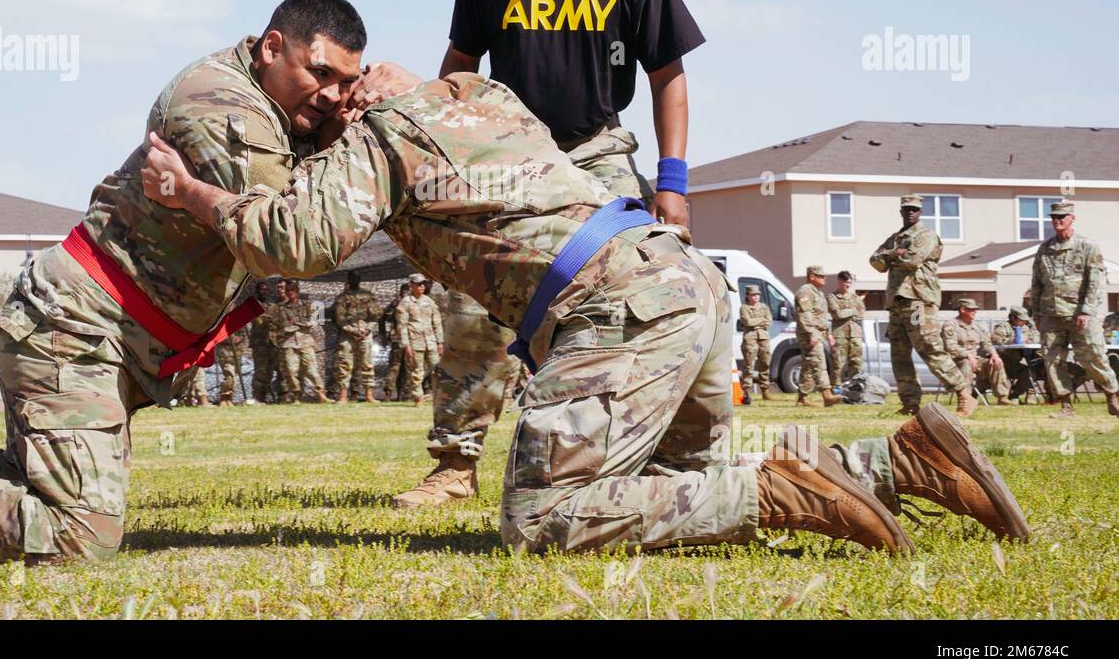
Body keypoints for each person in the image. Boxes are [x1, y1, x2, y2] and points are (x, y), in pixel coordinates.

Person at [135, 72, 1030, 555]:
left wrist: (190, 193)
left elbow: (296, 238)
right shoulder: (480, 97)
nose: (314, 117)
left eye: (326, 97)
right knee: (685, 471)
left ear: (359, 87)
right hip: (680, 282)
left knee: (544, 519)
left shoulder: (380, 134)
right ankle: (896, 461)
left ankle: (784, 492)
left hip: (616, 310)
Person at [0, 0, 417, 564]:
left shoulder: (281, 118)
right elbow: (290, 238)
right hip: (77, 328)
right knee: (79, 532)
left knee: (40, 484)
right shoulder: (219, 103)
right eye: (320, 73)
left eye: (347, 82)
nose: (333, 95)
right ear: (271, 47)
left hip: (112, 337)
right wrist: (364, 135)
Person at [397, 0, 708, 508]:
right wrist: (442, 147)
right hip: (511, 156)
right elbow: (458, 67)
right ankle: (454, 463)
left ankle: (649, 456)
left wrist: (673, 183)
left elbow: (669, 79)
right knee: (472, 300)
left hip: (599, 152)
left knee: (643, 293)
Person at [869, 195, 968, 416]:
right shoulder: (896, 239)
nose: (910, 213)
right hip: (897, 302)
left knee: (928, 346)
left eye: (914, 209)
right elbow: (875, 262)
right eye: (906, 209)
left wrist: (891, 258)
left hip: (918, 301)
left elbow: (912, 261)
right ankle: (910, 403)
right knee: (899, 354)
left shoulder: (926, 235)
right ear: (901, 212)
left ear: (920, 212)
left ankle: (963, 392)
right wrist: (894, 253)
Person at [1028, 200, 1119, 418]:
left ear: (1072, 219)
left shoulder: (1087, 246)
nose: (1057, 221)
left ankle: (1112, 395)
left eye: (1061, 217)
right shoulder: (1045, 248)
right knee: (1053, 361)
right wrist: (1037, 314)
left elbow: (1095, 282)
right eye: (1053, 218)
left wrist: (1087, 310)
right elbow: (1037, 283)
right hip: (1051, 314)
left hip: (1080, 314)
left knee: (1092, 357)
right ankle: (1066, 406)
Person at [940, 298, 1008, 411]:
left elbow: (986, 343)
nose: (974, 312)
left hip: (976, 359)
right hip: (956, 360)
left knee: (996, 363)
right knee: (966, 363)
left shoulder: (978, 326)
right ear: (962, 310)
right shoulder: (950, 325)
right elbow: (950, 347)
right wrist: (967, 355)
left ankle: (1003, 397)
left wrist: (994, 355)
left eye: (975, 310)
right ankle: (965, 399)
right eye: (971, 309)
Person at [270, 281, 328, 404]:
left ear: (297, 292)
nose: (290, 293)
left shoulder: (306, 305)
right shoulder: (281, 309)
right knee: (291, 370)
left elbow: (315, 321)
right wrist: (280, 338)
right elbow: (274, 327)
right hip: (288, 343)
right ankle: (296, 395)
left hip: (305, 341)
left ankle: (321, 394)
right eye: (288, 291)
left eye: (292, 290)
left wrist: (300, 324)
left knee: (311, 369)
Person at [330, 270, 384, 403]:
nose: (355, 280)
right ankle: (343, 396)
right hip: (347, 335)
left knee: (367, 364)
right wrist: (352, 330)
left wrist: (368, 329)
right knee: (344, 364)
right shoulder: (342, 298)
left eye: (357, 278)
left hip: (365, 334)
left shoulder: (367, 295)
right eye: (352, 278)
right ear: (348, 280)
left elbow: (375, 315)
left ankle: (369, 395)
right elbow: (339, 318)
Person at [794, 266, 840, 407]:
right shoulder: (805, 291)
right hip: (809, 334)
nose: (824, 278)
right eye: (821, 276)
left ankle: (802, 399)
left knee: (809, 365)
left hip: (819, 333)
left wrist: (829, 333)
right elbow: (805, 314)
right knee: (819, 362)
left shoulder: (818, 293)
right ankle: (827, 395)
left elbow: (823, 316)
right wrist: (811, 333)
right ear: (812, 276)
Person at [396, 275, 443, 406]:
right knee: (417, 370)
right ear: (411, 285)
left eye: (423, 284)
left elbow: (437, 323)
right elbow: (402, 325)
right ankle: (418, 398)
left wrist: (440, 342)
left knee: (437, 369)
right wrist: (406, 345)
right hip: (415, 341)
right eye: (418, 284)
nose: (421, 286)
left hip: (431, 341)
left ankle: (438, 397)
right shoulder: (406, 302)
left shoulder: (429, 302)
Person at [990, 306, 1041, 402]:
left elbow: (1036, 337)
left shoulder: (1026, 327)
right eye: (1022, 320)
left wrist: (1029, 340)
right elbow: (995, 341)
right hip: (1005, 360)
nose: (1024, 322)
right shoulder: (1003, 327)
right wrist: (1012, 341)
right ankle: (1012, 396)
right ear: (1013, 318)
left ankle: (1015, 394)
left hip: (1020, 360)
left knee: (1030, 372)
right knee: (1026, 371)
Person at [827, 271, 866, 384]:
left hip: (855, 335)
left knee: (856, 363)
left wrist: (847, 313)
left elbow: (862, 313)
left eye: (849, 282)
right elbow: (837, 314)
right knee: (838, 364)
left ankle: (854, 388)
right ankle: (836, 390)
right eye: (845, 282)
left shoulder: (855, 297)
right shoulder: (832, 297)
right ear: (839, 281)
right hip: (839, 335)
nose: (848, 285)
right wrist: (853, 311)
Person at [738, 285, 774, 402]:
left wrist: (757, 323)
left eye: (757, 295)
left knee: (765, 363)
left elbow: (768, 322)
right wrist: (760, 321)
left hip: (763, 338)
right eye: (753, 295)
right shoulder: (744, 308)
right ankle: (746, 391)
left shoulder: (764, 307)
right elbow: (747, 321)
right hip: (750, 338)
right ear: (748, 296)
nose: (756, 297)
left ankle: (765, 390)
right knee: (749, 365)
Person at [248, 280, 280, 403]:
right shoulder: (253, 304)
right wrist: (268, 319)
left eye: (266, 290)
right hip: (259, 343)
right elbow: (257, 320)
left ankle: (264, 397)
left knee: (270, 371)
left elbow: (278, 322)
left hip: (272, 343)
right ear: (257, 291)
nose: (264, 292)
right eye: (262, 289)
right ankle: (257, 396)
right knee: (260, 370)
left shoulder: (273, 306)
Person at [380, 283, 411, 401]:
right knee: (399, 367)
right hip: (402, 339)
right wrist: (383, 334)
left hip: (401, 339)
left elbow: (382, 318)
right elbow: (383, 318)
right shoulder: (403, 303)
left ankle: (398, 394)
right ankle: (393, 394)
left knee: (399, 367)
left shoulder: (396, 302)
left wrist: (383, 334)